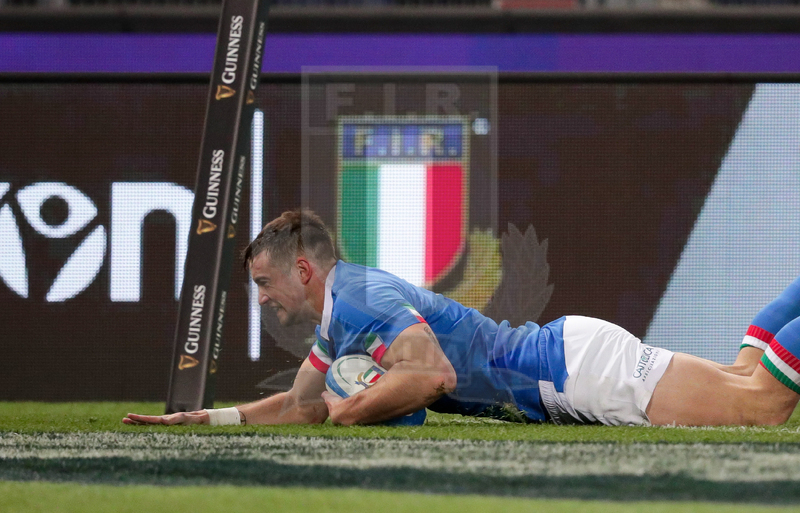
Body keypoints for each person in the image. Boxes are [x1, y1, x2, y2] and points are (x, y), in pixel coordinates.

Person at [124, 209, 800, 428]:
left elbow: (432, 375)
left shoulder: (357, 299)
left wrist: (352, 408)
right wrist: (206, 420)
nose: (264, 298)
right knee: (748, 373)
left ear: (304, 270)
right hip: (567, 363)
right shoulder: (341, 316)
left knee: (766, 403)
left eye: (266, 283)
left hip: (575, 373)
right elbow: (304, 405)